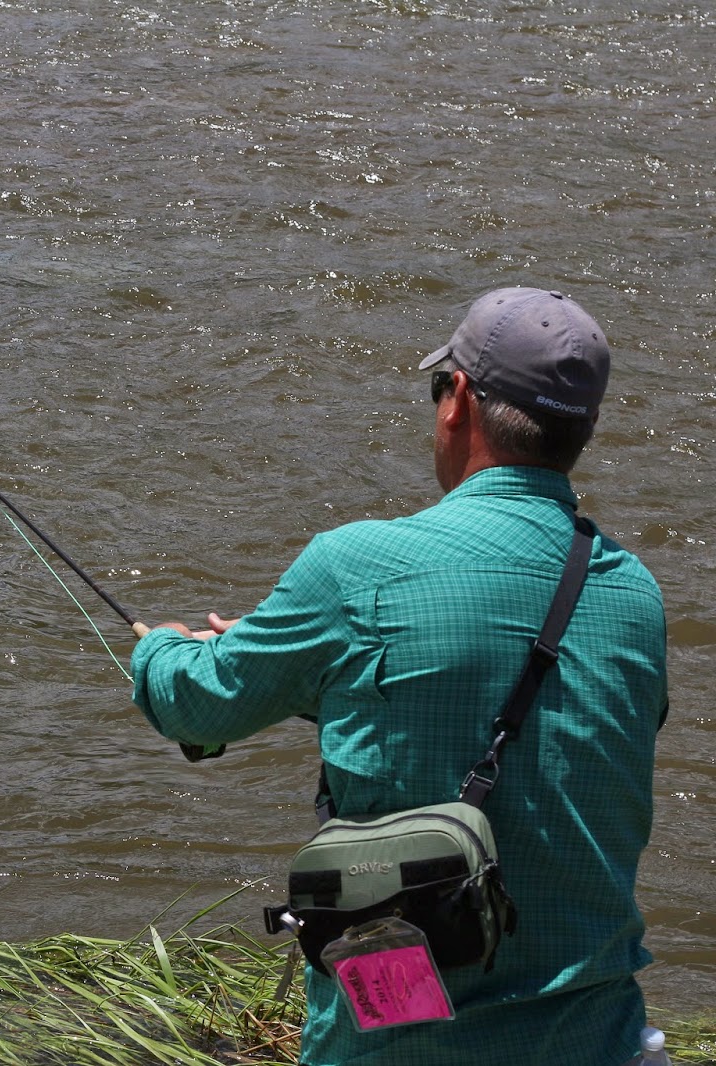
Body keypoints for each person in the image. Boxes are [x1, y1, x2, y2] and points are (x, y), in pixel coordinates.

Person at [129, 288, 668, 1066]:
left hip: (399, 1051)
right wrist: (327, 672)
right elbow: (549, 723)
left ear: (458, 404)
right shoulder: (635, 596)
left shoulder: (355, 568)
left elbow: (196, 705)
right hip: (600, 1042)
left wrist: (161, 650)